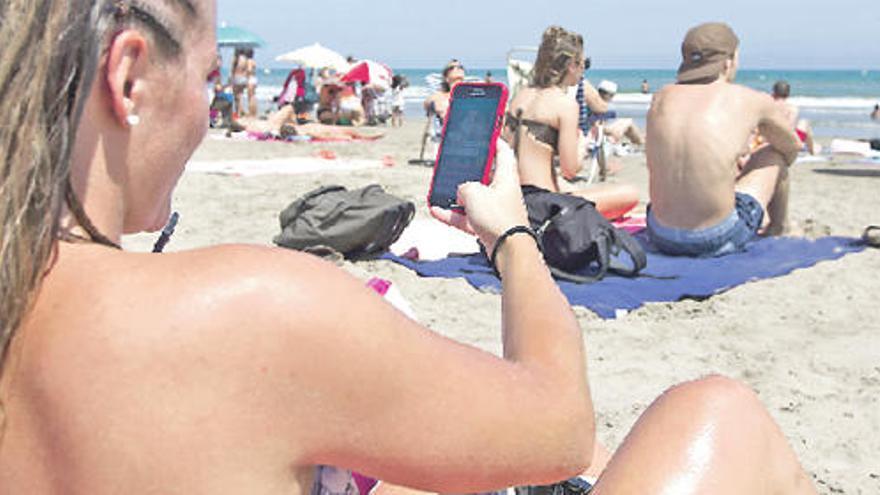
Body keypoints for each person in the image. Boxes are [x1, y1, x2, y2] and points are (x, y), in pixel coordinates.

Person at [0, 2, 820, 494]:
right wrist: (509, 237)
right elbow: (561, 420)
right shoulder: (244, 313)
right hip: (523, 256)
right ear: (130, 75)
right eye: (210, 78)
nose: (208, 110)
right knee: (715, 411)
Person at [646, 22, 802, 258]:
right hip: (714, 237)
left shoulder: (661, 97)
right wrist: (746, 162)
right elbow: (792, 148)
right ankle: (778, 227)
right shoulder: (750, 99)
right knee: (773, 154)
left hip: (660, 233)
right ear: (729, 61)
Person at [504, 27, 639, 220]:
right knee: (629, 193)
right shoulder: (565, 104)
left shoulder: (521, 96)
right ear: (571, 65)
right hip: (544, 208)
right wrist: (583, 143)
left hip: (512, 198)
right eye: (584, 63)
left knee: (570, 188)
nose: (584, 69)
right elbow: (570, 169)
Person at [769, 80, 818, 155]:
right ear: (788, 94)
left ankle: (812, 149)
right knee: (804, 122)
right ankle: (812, 150)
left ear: (773, 93)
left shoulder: (769, 107)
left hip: (771, 141)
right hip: (786, 144)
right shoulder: (792, 109)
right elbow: (789, 128)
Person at [591, 79, 645, 146]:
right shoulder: (597, 107)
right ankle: (641, 143)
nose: (612, 98)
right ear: (608, 95)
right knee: (628, 122)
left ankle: (640, 142)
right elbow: (596, 127)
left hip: (597, 136)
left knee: (626, 122)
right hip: (600, 138)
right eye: (612, 95)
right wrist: (610, 131)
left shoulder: (592, 104)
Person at [230, 47, 249, 118]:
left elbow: (232, 70)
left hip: (237, 77)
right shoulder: (245, 59)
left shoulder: (236, 58)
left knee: (236, 97)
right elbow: (247, 70)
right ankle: (240, 112)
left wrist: (231, 79)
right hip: (244, 78)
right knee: (240, 96)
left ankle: (238, 112)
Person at [245, 48, 258, 118]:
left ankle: (251, 113)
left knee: (250, 97)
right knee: (253, 96)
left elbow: (249, 70)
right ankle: (254, 112)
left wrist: (245, 73)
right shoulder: (253, 61)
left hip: (250, 79)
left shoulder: (249, 61)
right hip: (254, 79)